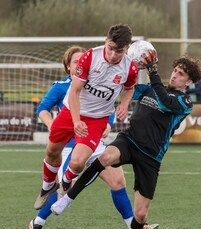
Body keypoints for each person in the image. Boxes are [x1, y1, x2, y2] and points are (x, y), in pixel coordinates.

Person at [52, 51, 201, 229]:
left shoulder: (184, 102)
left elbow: (166, 101)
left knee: (141, 214)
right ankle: (67, 198)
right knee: (104, 158)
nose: (175, 75)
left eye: (181, 74)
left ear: (189, 81)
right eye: (175, 70)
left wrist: (152, 71)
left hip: (151, 157)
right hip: (129, 141)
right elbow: (126, 88)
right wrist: (130, 68)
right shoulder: (150, 89)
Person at [27, 46, 158, 229]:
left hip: (94, 142)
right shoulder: (62, 87)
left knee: (117, 182)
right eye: (75, 62)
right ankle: (37, 222)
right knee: (65, 186)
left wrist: (107, 124)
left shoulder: (100, 81)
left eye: (82, 61)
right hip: (71, 146)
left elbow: (110, 107)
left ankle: (134, 225)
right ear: (68, 67)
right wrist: (53, 125)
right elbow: (43, 109)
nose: (80, 64)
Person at [33, 24, 138, 212]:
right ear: (106, 41)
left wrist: (124, 104)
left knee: (77, 162)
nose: (113, 55)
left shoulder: (130, 68)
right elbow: (74, 91)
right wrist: (75, 121)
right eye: (111, 48)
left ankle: (65, 183)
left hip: (97, 119)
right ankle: (47, 187)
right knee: (51, 152)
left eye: (119, 51)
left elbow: (130, 88)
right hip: (70, 111)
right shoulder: (91, 57)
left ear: (127, 48)